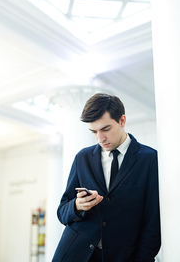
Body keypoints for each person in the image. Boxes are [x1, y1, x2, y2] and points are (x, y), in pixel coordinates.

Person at [52, 93, 161, 262]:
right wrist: (76, 205)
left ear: (122, 121)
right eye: (94, 132)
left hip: (122, 256)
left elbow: (152, 222)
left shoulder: (149, 159)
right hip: (74, 253)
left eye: (105, 129)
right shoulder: (82, 157)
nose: (100, 138)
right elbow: (62, 213)